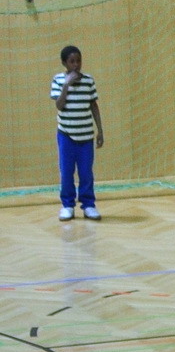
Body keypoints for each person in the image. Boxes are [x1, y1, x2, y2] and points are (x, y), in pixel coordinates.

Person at [50, 45, 105, 221]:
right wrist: (67, 85)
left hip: (86, 136)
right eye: (72, 61)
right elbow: (59, 105)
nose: (76, 65)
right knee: (66, 172)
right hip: (66, 135)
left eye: (78, 61)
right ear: (64, 63)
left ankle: (88, 205)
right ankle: (67, 205)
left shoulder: (88, 81)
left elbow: (93, 106)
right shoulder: (58, 80)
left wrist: (100, 130)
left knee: (86, 172)